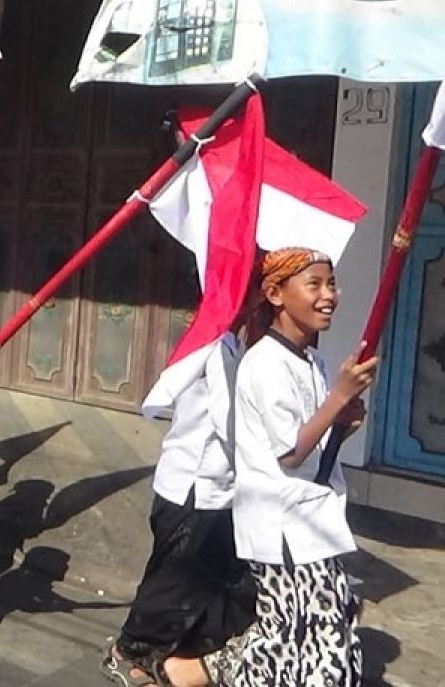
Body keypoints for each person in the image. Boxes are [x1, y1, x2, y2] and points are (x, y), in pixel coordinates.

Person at [229, 248, 375, 686]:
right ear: (276, 293)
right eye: (314, 284)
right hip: (283, 525)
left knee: (300, 638)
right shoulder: (263, 364)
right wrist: (337, 398)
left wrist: (342, 422)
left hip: (311, 520)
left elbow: (313, 449)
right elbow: (289, 454)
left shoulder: (312, 361)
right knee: (313, 639)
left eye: (331, 284)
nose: (329, 295)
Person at [103, 288, 260, 687]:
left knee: (220, 577)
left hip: (212, 487)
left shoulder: (226, 345)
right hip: (196, 486)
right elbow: (231, 426)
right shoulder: (215, 348)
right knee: (175, 579)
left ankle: (182, 657)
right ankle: (128, 651)